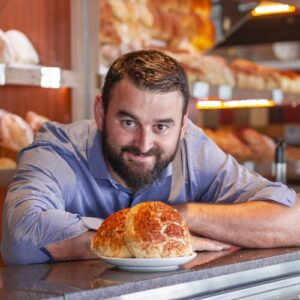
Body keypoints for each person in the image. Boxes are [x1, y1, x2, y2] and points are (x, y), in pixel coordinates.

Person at [1, 50, 300, 265]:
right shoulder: (57, 150)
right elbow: (21, 236)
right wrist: (156, 237)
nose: (144, 144)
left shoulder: (193, 150)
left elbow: (293, 220)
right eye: (128, 122)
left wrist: (185, 217)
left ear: (183, 126)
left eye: (161, 126)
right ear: (101, 114)